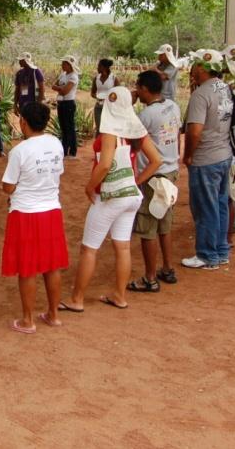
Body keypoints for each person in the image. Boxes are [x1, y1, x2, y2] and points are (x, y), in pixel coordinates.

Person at [62, 86, 163, 312]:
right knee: (123, 247)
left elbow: (106, 164)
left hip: (109, 197)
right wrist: (135, 181)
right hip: (130, 196)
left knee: (89, 248)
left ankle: (77, 299)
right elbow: (156, 160)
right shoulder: (136, 130)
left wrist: (89, 186)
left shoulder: (110, 132)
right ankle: (120, 295)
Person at [0, 102, 68, 333]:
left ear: (24, 122)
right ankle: (53, 314)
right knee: (52, 265)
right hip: (51, 210)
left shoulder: (19, 151)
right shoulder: (56, 143)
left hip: (26, 213)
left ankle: (28, 320)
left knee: (27, 268)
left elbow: (8, 187)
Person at [128, 71, 183, 292]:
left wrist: (128, 106)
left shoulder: (146, 115)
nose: (136, 91)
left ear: (145, 89)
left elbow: (133, 143)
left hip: (153, 176)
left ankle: (150, 278)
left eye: (138, 87)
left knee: (147, 227)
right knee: (164, 224)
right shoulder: (173, 106)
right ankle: (167, 268)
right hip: (170, 171)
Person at [180, 50, 234, 270]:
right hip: (224, 153)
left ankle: (207, 255)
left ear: (202, 68)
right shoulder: (224, 88)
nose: (191, 70)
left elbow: (194, 131)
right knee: (220, 204)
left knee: (205, 207)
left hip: (206, 158)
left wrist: (189, 155)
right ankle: (221, 250)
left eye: (194, 66)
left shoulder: (201, 94)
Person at [51, 56, 80, 159]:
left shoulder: (73, 76)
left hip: (68, 104)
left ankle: (72, 151)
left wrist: (58, 88)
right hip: (61, 103)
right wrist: (60, 88)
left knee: (70, 127)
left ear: (69, 65)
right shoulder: (63, 74)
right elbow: (53, 85)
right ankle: (65, 150)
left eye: (64, 64)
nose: (62, 66)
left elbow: (65, 91)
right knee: (63, 127)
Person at [90, 59, 119, 134]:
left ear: (105, 67)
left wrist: (110, 98)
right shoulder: (96, 78)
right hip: (99, 106)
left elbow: (119, 93)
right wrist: (97, 97)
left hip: (110, 107)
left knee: (109, 129)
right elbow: (92, 93)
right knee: (99, 129)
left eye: (99, 66)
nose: (97, 68)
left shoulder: (113, 78)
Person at [14, 52, 45, 116]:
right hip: (22, 104)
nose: (19, 61)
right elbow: (17, 90)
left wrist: (38, 104)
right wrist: (15, 104)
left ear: (25, 61)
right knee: (23, 123)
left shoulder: (36, 71)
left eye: (21, 60)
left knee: (32, 124)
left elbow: (42, 89)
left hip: (33, 104)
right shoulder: (19, 73)